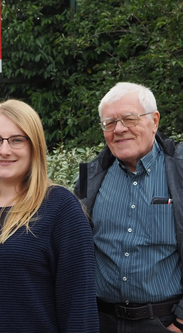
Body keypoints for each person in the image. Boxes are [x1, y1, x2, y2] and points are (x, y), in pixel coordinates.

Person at [0, 99, 99, 333]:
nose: (4, 150)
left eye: (17, 140)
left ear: (34, 147)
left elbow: (80, 308)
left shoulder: (60, 208)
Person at [75, 82, 183, 333]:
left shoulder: (178, 172)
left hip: (164, 322)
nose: (119, 129)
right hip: (102, 322)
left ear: (154, 121)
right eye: (109, 123)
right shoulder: (88, 177)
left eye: (129, 119)